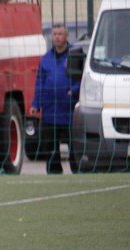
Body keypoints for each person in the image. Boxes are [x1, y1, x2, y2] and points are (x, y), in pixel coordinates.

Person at [31, 23, 79, 175]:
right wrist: (35, 103)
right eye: (55, 34)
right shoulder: (46, 59)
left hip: (69, 110)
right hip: (50, 111)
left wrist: (74, 90)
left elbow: (83, 78)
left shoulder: (76, 55)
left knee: (74, 145)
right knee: (50, 146)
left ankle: (77, 171)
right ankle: (54, 173)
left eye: (60, 34)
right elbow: (40, 82)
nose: (57, 37)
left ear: (67, 36)